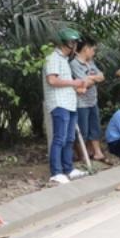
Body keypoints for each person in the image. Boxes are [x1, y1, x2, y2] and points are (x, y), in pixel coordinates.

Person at [42, 28, 89, 184]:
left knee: (69, 139)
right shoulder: (53, 58)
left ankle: (68, 169)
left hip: (69, 104)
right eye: (75, 43)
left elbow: (64, 82)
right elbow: (52, 81)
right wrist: (74, 83)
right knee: (60, 138)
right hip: (59, 103)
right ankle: (56, 172)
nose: (76, 46)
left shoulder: (64, 60)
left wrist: (77, 88)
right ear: (68, 43)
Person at [69, 36, 106, 162]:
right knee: (82, 130)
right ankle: (82, 155)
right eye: (93, 50)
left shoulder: (90, 63)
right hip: (81, 103)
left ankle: (97, 152)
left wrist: (91, 78)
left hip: (92, 100)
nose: (94, 53)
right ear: (86, 49)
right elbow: (83, 83)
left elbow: (102, 76)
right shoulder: (74, 64)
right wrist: (93, 79)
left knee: (94, 127)